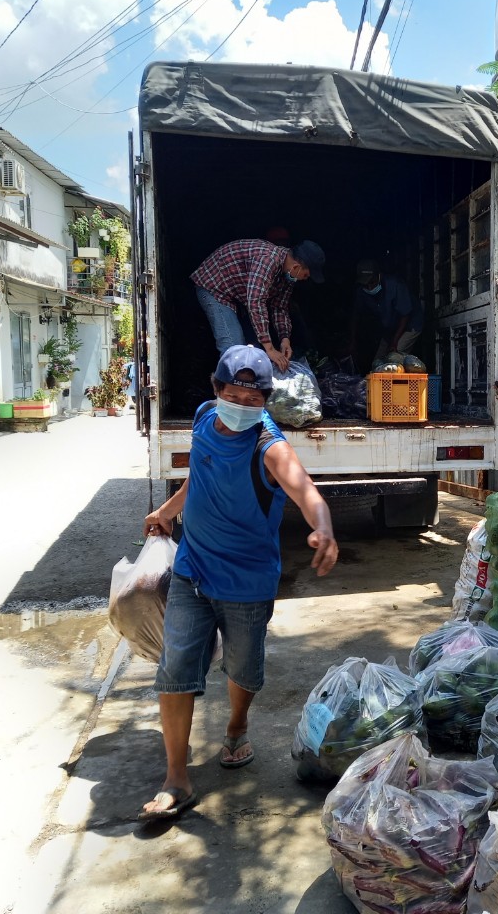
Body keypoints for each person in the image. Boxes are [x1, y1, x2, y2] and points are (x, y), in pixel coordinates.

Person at [137, 344, 338, 824]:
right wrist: (167, 512)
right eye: (235, 395)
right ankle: (175, 779)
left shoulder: (269, 445)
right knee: (175, 668)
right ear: (217, 390)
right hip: (192, 571)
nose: (244, 406)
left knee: (243, 670)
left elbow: (304, 489)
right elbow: (198, 475)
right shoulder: (205, 418)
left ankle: (236, 727)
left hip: (247, 583)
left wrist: (323, 526)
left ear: (266, 400)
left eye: (255, 399)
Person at [191, 238, 326, 370]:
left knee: (254, 347)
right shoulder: (267, 260)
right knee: (234, 349)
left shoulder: (287, 276)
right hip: (215, 287)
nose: (304, 279)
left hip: (237, 295)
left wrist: (285, 339)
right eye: (306, 275)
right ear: (296, 267)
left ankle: (252, 386)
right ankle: (230, 391)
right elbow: (255, 302)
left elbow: (279, 308)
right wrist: (270, 348)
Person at [352, 259, 424, 363]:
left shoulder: (396, 285)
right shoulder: (362, 292)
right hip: (389, 330)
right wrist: (352, 342)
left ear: (379, 276)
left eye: (372, 282)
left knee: (393, 358)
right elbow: (355, 315)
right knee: (377, 364)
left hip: (410, 325)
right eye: (365, 284)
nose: (369, 287)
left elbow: (405, 315)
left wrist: (394, 342)